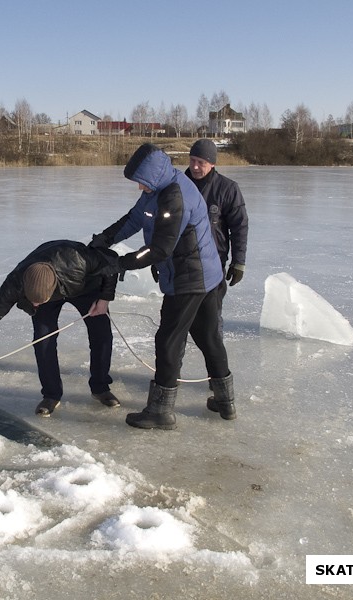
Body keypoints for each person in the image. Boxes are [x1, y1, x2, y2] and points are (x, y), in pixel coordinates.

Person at [89, 143, 236, 429]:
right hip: (204, 273)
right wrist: (104, 239)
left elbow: (159, 249)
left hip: (190, 278)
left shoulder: (174, 196)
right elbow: (134, 219)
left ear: (152, 176)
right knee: (208, 337)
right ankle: (225, 402)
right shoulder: (157, 188)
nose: (138, 188)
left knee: (168, 340)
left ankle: (160, 411)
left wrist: (121, 263)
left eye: (140, 182)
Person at [0, 240, 121, 417]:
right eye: (32, 301)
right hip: (44, 288)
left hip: (83, 286)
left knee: (102, 334)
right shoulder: (16, 282)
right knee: (43, 340)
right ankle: (51, 395)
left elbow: (112, 261)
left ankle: (100, 387)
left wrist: (105, 298)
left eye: (38, 301)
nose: (34, 305)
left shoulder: (78, 261)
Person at [184, 138, 249, 417]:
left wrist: (239, 262)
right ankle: (170, 372)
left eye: (202, 162)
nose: (196, 167)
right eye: (193, 160)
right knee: (176, 323)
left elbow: (239, 227)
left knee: (212, 323)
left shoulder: (227, 189)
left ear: (212, 164)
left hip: (212, 267)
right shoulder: (178, 185)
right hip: (181, 267)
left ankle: (216, 377)